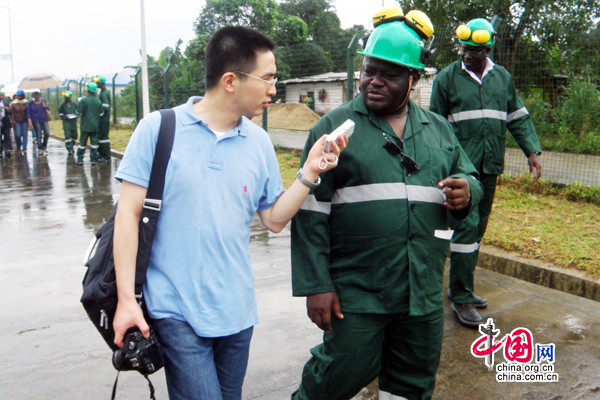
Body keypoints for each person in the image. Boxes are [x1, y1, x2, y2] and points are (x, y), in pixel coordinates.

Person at [112, 26, 346, 400]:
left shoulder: (258, 142)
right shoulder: (158, 130)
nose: (274, 88)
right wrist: (126, 300)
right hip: (176, 310)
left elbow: (272, 218)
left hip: (236, 313)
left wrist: (310, 173)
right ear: (230, 80)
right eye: (268, 78)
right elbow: (127, 216)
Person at [290, 15, 484, 400]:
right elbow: (311, 210)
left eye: (389, 74)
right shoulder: (333, 130)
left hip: (423, 290)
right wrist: (316, 285)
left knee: (412, 383)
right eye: (368, 70)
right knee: (338, 375)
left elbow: (470, 177)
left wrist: (468, 193)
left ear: (412, 80)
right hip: (359, 291)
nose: (374, 81)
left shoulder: (438, 131)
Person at [430, 18, 542, 328]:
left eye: (474, 51)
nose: (467, 54)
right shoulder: (446, 79)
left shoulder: (502, 78)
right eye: (464, 49)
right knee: (466, 230)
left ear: (487, 50)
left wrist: (531, 150)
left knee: (476, 232)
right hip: (461, 170)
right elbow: (436, 128)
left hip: (490, 166)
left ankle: (458, 285)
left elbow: (517, 116)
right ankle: (462, 298)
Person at [76, 83, 103, 166]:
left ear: (88, 90)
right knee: (94, 143)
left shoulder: (83, 100)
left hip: (85, 126)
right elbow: (101, 113)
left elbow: (78, 111)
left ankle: (80, 159)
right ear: (95, 91)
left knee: (82, 143)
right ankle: (93, 160)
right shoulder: (98, 101)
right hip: (95, 126)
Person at [27, 89, 51, 155]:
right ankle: (40, 148)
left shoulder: (43, 101)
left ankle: (44, 145)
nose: (36, 96)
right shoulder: (30, 103)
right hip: (35, 120)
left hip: (44, 119)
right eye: (35, 95)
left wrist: (47, 107)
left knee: (47, 133)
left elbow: (48, 109)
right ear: (33, 96)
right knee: (38, 134)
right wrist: (30, 122)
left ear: (39, 95)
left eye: (37, 95)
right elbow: (28, 113)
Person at [95, 76, 112, 162]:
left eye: (97, 82)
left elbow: (105, 106)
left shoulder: (104, 93)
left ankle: (106, 156)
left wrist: (100, 112)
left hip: (104, 120)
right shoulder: (102, 92)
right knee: (101, 137)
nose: (96, 84)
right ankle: (101, 154)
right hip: (102, 119)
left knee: (104, 138)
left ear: (101, 83)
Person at [10, 89, 29, 156]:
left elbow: (28, 112)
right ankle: (18, 145)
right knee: (17, 134)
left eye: (19, 95)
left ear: (22, 95)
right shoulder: (14, 103)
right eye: (17, 95)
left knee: (25, 135)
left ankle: (24, 148)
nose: (18, 97)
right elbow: (12, 113)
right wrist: (13, 120)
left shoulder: (26, 102)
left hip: (24, 121)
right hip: (17, 121)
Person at [0, 90, 12, 158]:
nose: (1, 97)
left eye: (2, 95)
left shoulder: (6, 103)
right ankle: (0, 151)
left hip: (5, 121)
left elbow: (10, 112)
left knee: (7, 135)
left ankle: (8, 149)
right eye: (0, 95)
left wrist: (8, 110)